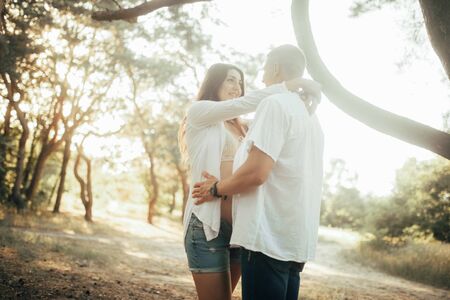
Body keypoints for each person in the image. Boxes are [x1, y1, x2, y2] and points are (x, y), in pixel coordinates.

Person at [192, 45, 324, 300]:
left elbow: (256, 173)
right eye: (231, 79)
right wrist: (297, 86)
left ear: (274, 68)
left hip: (268, 238)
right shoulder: (310, 117)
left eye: (264, 70)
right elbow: (244, 105)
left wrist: (216, 188)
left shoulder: (273, 106)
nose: (261, 79)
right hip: (289, 239)